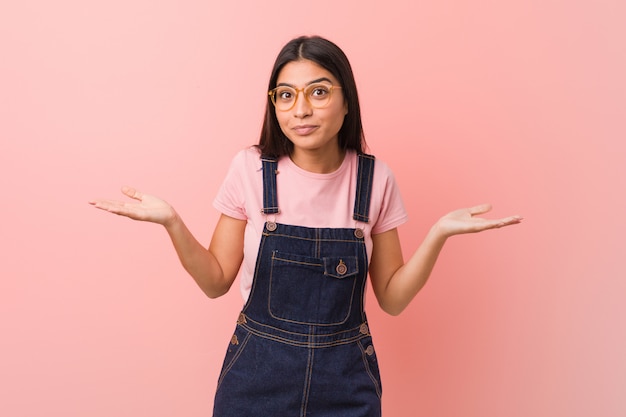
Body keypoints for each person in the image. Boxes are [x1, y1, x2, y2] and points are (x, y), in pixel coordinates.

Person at [90, 35, 521, 417]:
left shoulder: (375, 180)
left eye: (318, 92)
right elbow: (216, 281)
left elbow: (390, 298)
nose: (301, 110)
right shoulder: (250, 171)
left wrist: (439, 233)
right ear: (273, 103)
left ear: (346, 99)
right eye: (286, 95)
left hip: (346, 384)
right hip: (256, 379)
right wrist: (172, 222)